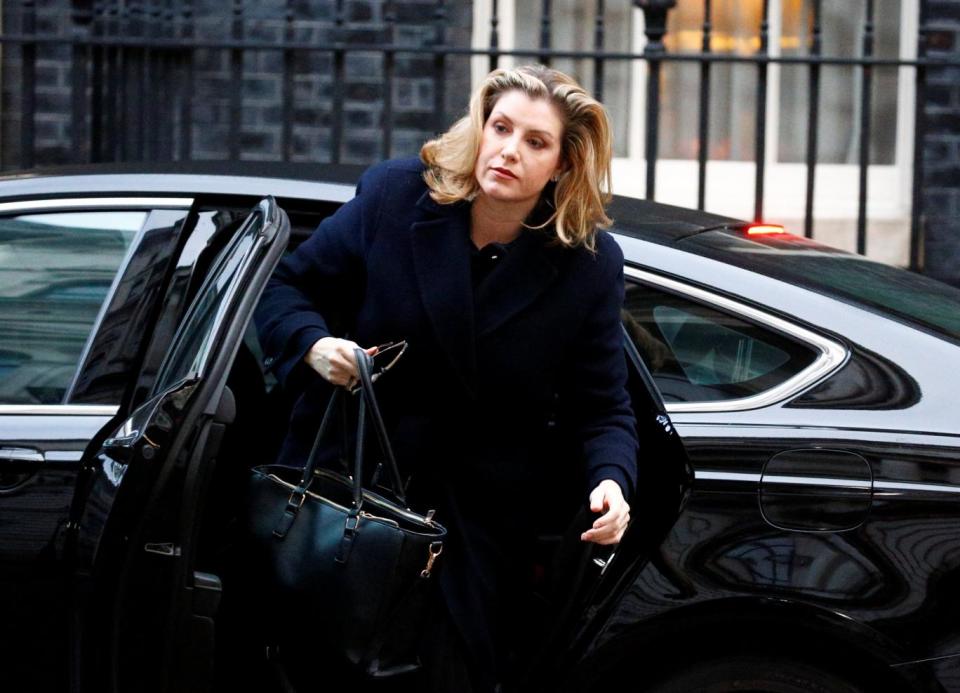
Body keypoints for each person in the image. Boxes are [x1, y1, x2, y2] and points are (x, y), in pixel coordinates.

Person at [254, 64, 639, 692]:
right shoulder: (396, 196)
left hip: (470, 531)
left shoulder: (587, 265)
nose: (510, 150)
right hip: (348, 498)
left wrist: (612, 482)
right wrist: (313, 344)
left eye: (535, 141)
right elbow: (287, 288)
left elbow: (603, 406)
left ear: (563, 165)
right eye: (501, 127)